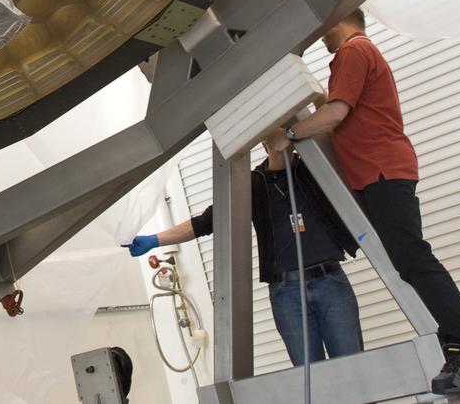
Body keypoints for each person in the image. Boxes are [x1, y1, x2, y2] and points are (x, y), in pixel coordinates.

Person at [268, 9, 460, 395]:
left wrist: (287, 134)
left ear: (338, 18)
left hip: (381, 171)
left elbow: (335, 113)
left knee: (414, 259)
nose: (320, 36)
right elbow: (337, 107)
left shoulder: (353, 51)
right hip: (377, 171)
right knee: (409, 261)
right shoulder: (357, 57)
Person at [124, 141, 363, 366]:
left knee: (353, 367)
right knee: (310, 374)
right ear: (264, 143)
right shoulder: (253, 184)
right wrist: (155, 240)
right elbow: (207, 221)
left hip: (330, 282)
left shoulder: (313, 168)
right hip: (287, 293)